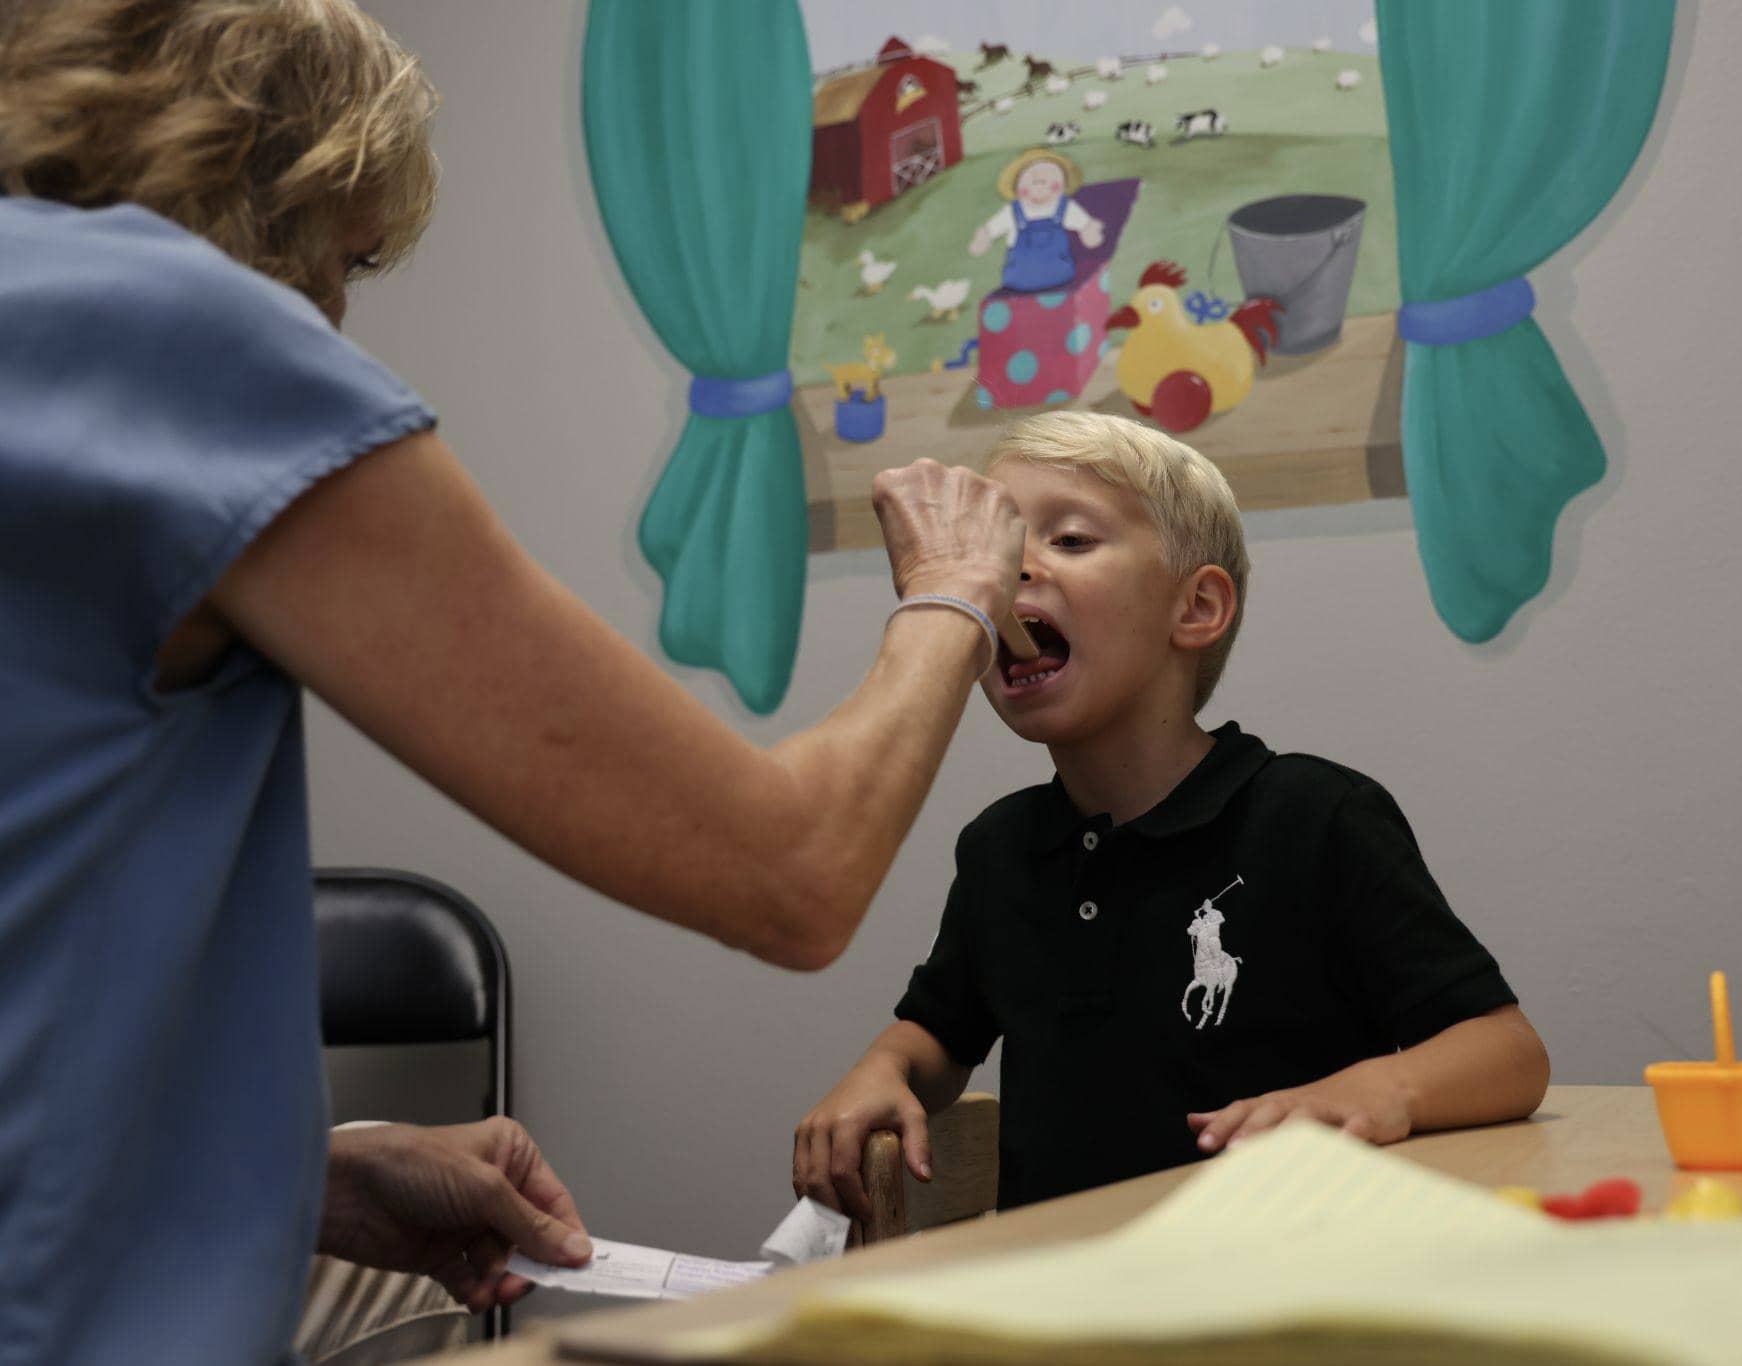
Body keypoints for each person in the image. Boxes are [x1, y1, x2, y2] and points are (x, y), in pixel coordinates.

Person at [0, 1, 1024, 1361]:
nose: (334, 317)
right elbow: (798, 866)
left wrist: (310, 1176)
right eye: (346, 259)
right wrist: (951, 589)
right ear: (270, 182)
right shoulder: (169, 334)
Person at [794, 413, 1550, 1217]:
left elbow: (1508, 1052)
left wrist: (1378, 1088)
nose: (1009, 572)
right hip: (1067, 1312)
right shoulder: (1000, 850)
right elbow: (936, 1038)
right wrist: (882, 1066)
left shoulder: (1315, 816)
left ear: (1196, 609)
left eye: (1071, 540)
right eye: (998, 549)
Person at [969, 147, 1105, 294]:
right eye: (1032, 181)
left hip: (1060, 274)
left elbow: (1085, 226)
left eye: (1048, 181)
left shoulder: (1065, 207)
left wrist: (1090, 231)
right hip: (1019, 279)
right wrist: (982, 238)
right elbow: (990, 230)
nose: (1040, 187)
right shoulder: (1012, 212)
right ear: (1017, 187)